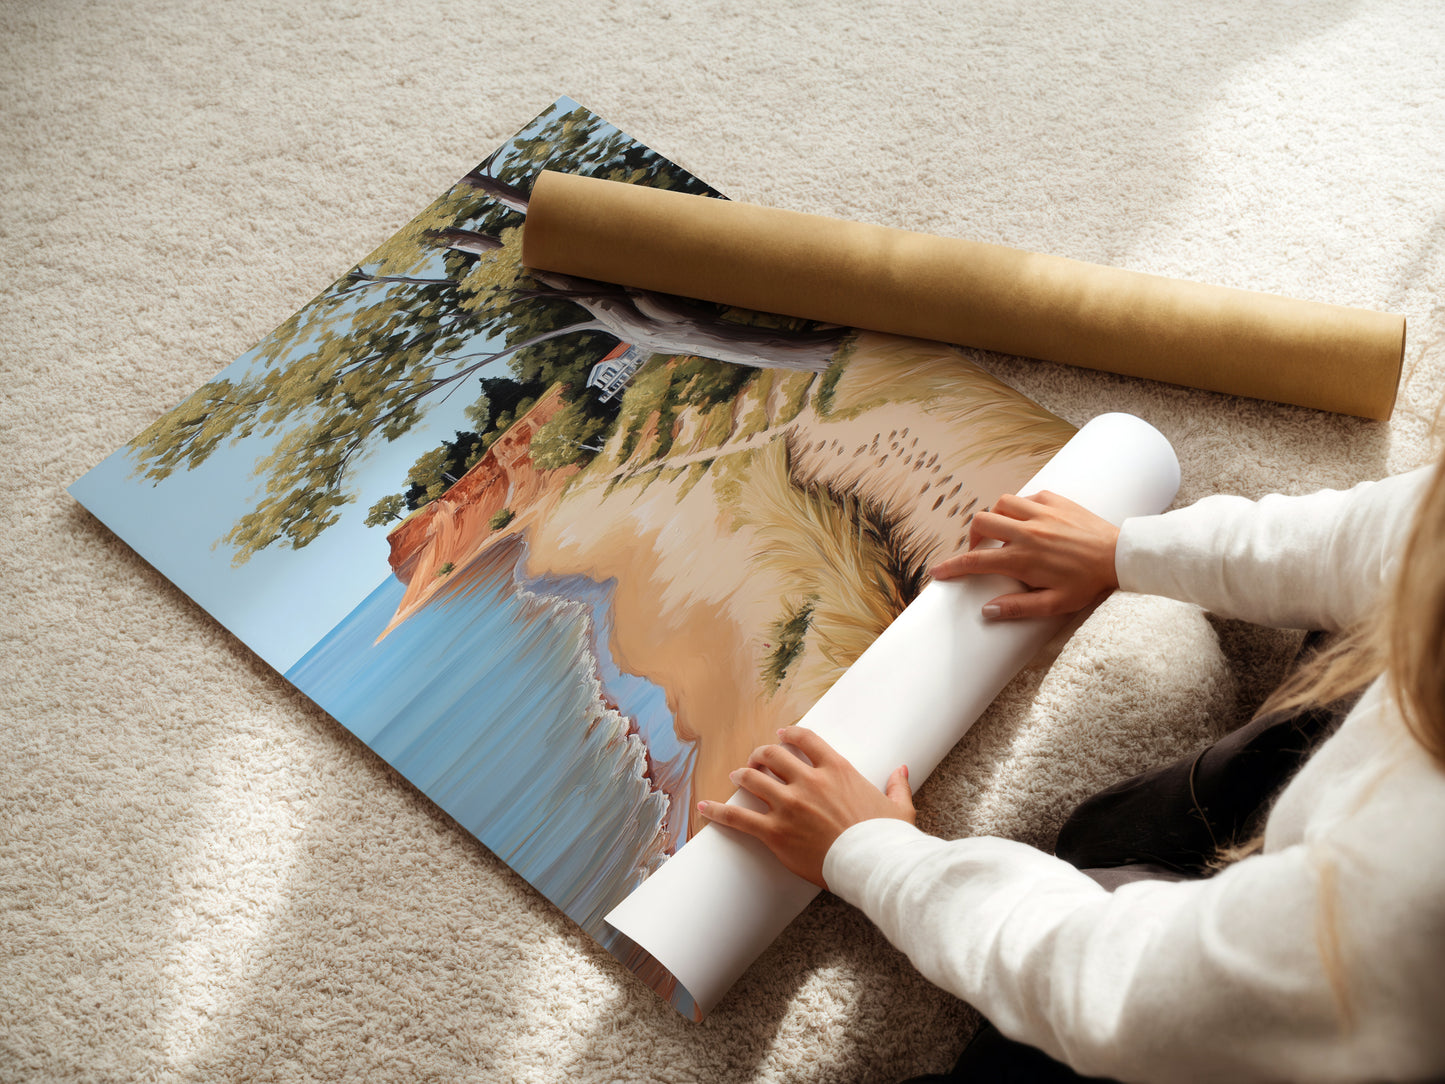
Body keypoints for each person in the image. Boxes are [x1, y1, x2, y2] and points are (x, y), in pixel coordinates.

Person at [698, 461, 1445, 1082]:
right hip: (1341, 859)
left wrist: (871, 853)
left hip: (1328, 1009)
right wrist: (1123, 550)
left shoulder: (1407, 899)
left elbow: (1123, 989)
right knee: (1109, 834)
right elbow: (1382, 535)